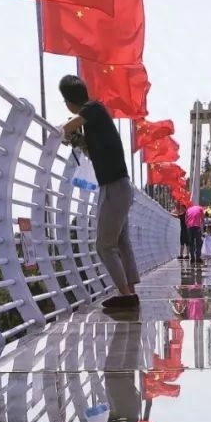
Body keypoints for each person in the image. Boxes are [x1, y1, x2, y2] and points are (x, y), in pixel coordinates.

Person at [59, 73, 138, 311]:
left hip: (114, 187)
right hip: (119, 186)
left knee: (104, 245)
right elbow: (93, 151)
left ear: (68, 101)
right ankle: (130, 292)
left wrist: (65, 131)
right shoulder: (95, 122)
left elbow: (68, 126)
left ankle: (125, 295)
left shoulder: (93, 108)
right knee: (121, 241)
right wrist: (78, 140)